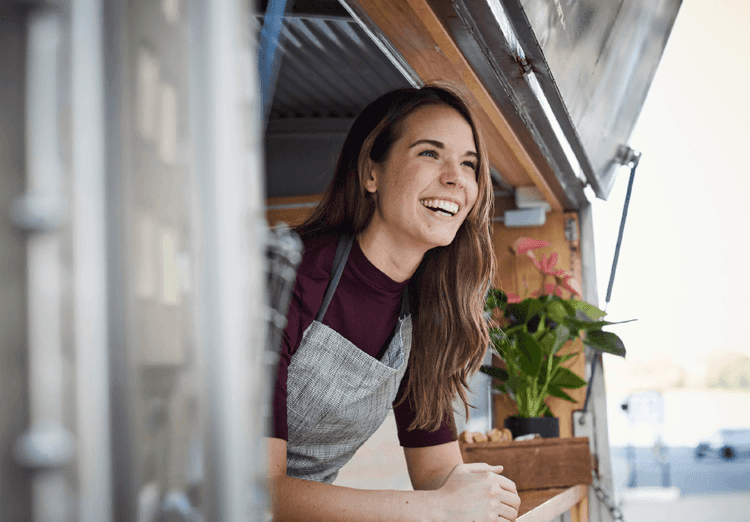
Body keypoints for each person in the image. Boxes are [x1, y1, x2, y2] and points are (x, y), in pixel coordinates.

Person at [267, 84, 521, 521]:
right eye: (429, 153)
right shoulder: (285, 276)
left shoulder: (426, 315)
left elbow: (437, 470)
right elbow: (258, 492)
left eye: (469, 164)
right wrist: (437, 510)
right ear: (371, 173)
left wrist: (478, 494)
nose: (455, 178)